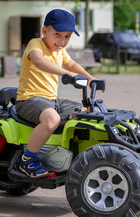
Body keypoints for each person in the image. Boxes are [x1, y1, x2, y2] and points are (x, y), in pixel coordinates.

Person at [15, 9, 95, 178]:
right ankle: (28, 159)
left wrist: (90, 79)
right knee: (52, 119)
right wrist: (65, 74)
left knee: (86, 112)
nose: (62, 41)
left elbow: (72, 65)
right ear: (45, 31)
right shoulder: (35, 44)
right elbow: (39, 61)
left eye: (67, 37)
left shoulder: (60, 50)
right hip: (29, 99)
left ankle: (69, 155)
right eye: (57, 34)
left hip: (52, 100)